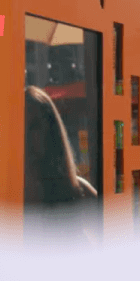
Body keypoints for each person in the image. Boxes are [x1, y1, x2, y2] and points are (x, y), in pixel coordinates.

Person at [24, 85, 99, 247]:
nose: (26, 136)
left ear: (51, 131)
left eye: (34, 126)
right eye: (19, 126)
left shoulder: (78, 191)